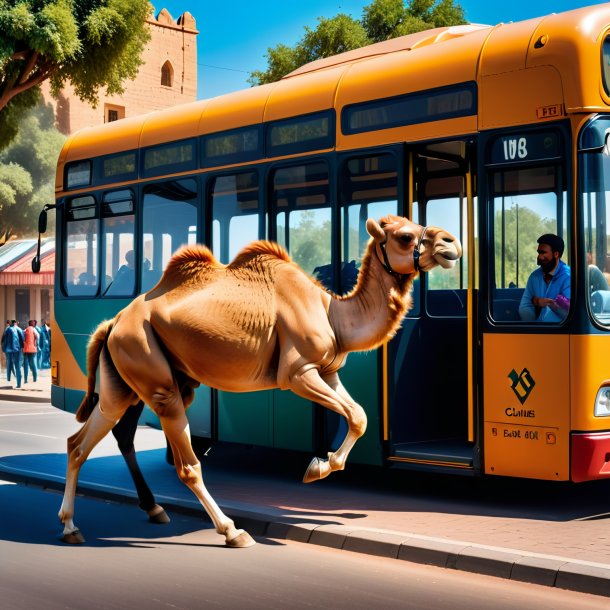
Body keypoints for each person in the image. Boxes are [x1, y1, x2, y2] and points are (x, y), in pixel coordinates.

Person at [519, 234, 571, 323]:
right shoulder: (534, 276)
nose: (539, 257)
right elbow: (524, 307)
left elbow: (570, 313)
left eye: (543, 253)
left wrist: (551, 306)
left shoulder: (568, 277)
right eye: (539, 252)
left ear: (556, 254)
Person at [1, 320, 24, 388]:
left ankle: (9, 378)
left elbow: (3, 340)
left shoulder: (7, 329)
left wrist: (4, 349)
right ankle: (19, 383)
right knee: (17, 366)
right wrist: (22, 347)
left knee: (9, 363)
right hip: (17, 349)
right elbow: (22, 339)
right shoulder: (19, 329)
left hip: (8, 349)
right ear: (16, 323)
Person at [23, 320, 39, 384]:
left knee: (26, 365)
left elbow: (22, 338)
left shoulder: (25, 330)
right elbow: (38, 337)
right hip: (33, 350)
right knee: (34, 364)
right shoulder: (34, 330)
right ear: (33, 324)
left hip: (26, 350)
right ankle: (35, 379)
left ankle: (25, 380)